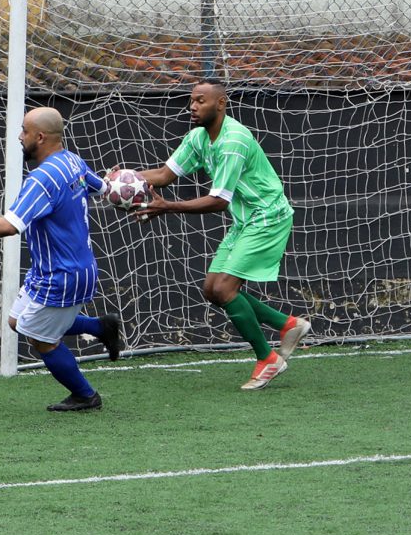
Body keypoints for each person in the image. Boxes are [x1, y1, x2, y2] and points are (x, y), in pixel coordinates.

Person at [0, 105, 122, 412]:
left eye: (24, 131)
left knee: (41, 339)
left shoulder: (42, 179)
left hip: (63, 274)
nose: (20, 137)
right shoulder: (73, 161)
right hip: (56, 270)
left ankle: (86, 395)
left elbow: (10, 225)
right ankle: (101, 327)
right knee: (17, 321)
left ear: (41, 137)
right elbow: (102, 188)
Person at [128, 80, 308, 390]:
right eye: (191, 101)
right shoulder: (199, 137)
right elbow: (163, 175)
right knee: (212, 289)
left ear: (220, 104)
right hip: (244, 221)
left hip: (268, 217)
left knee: (225, 288)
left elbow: (218, 200)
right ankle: (288, 325)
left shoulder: (233, 141)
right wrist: (117, 179)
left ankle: (268, 360)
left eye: (200, 101)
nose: (192, 107)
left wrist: (167, 206)